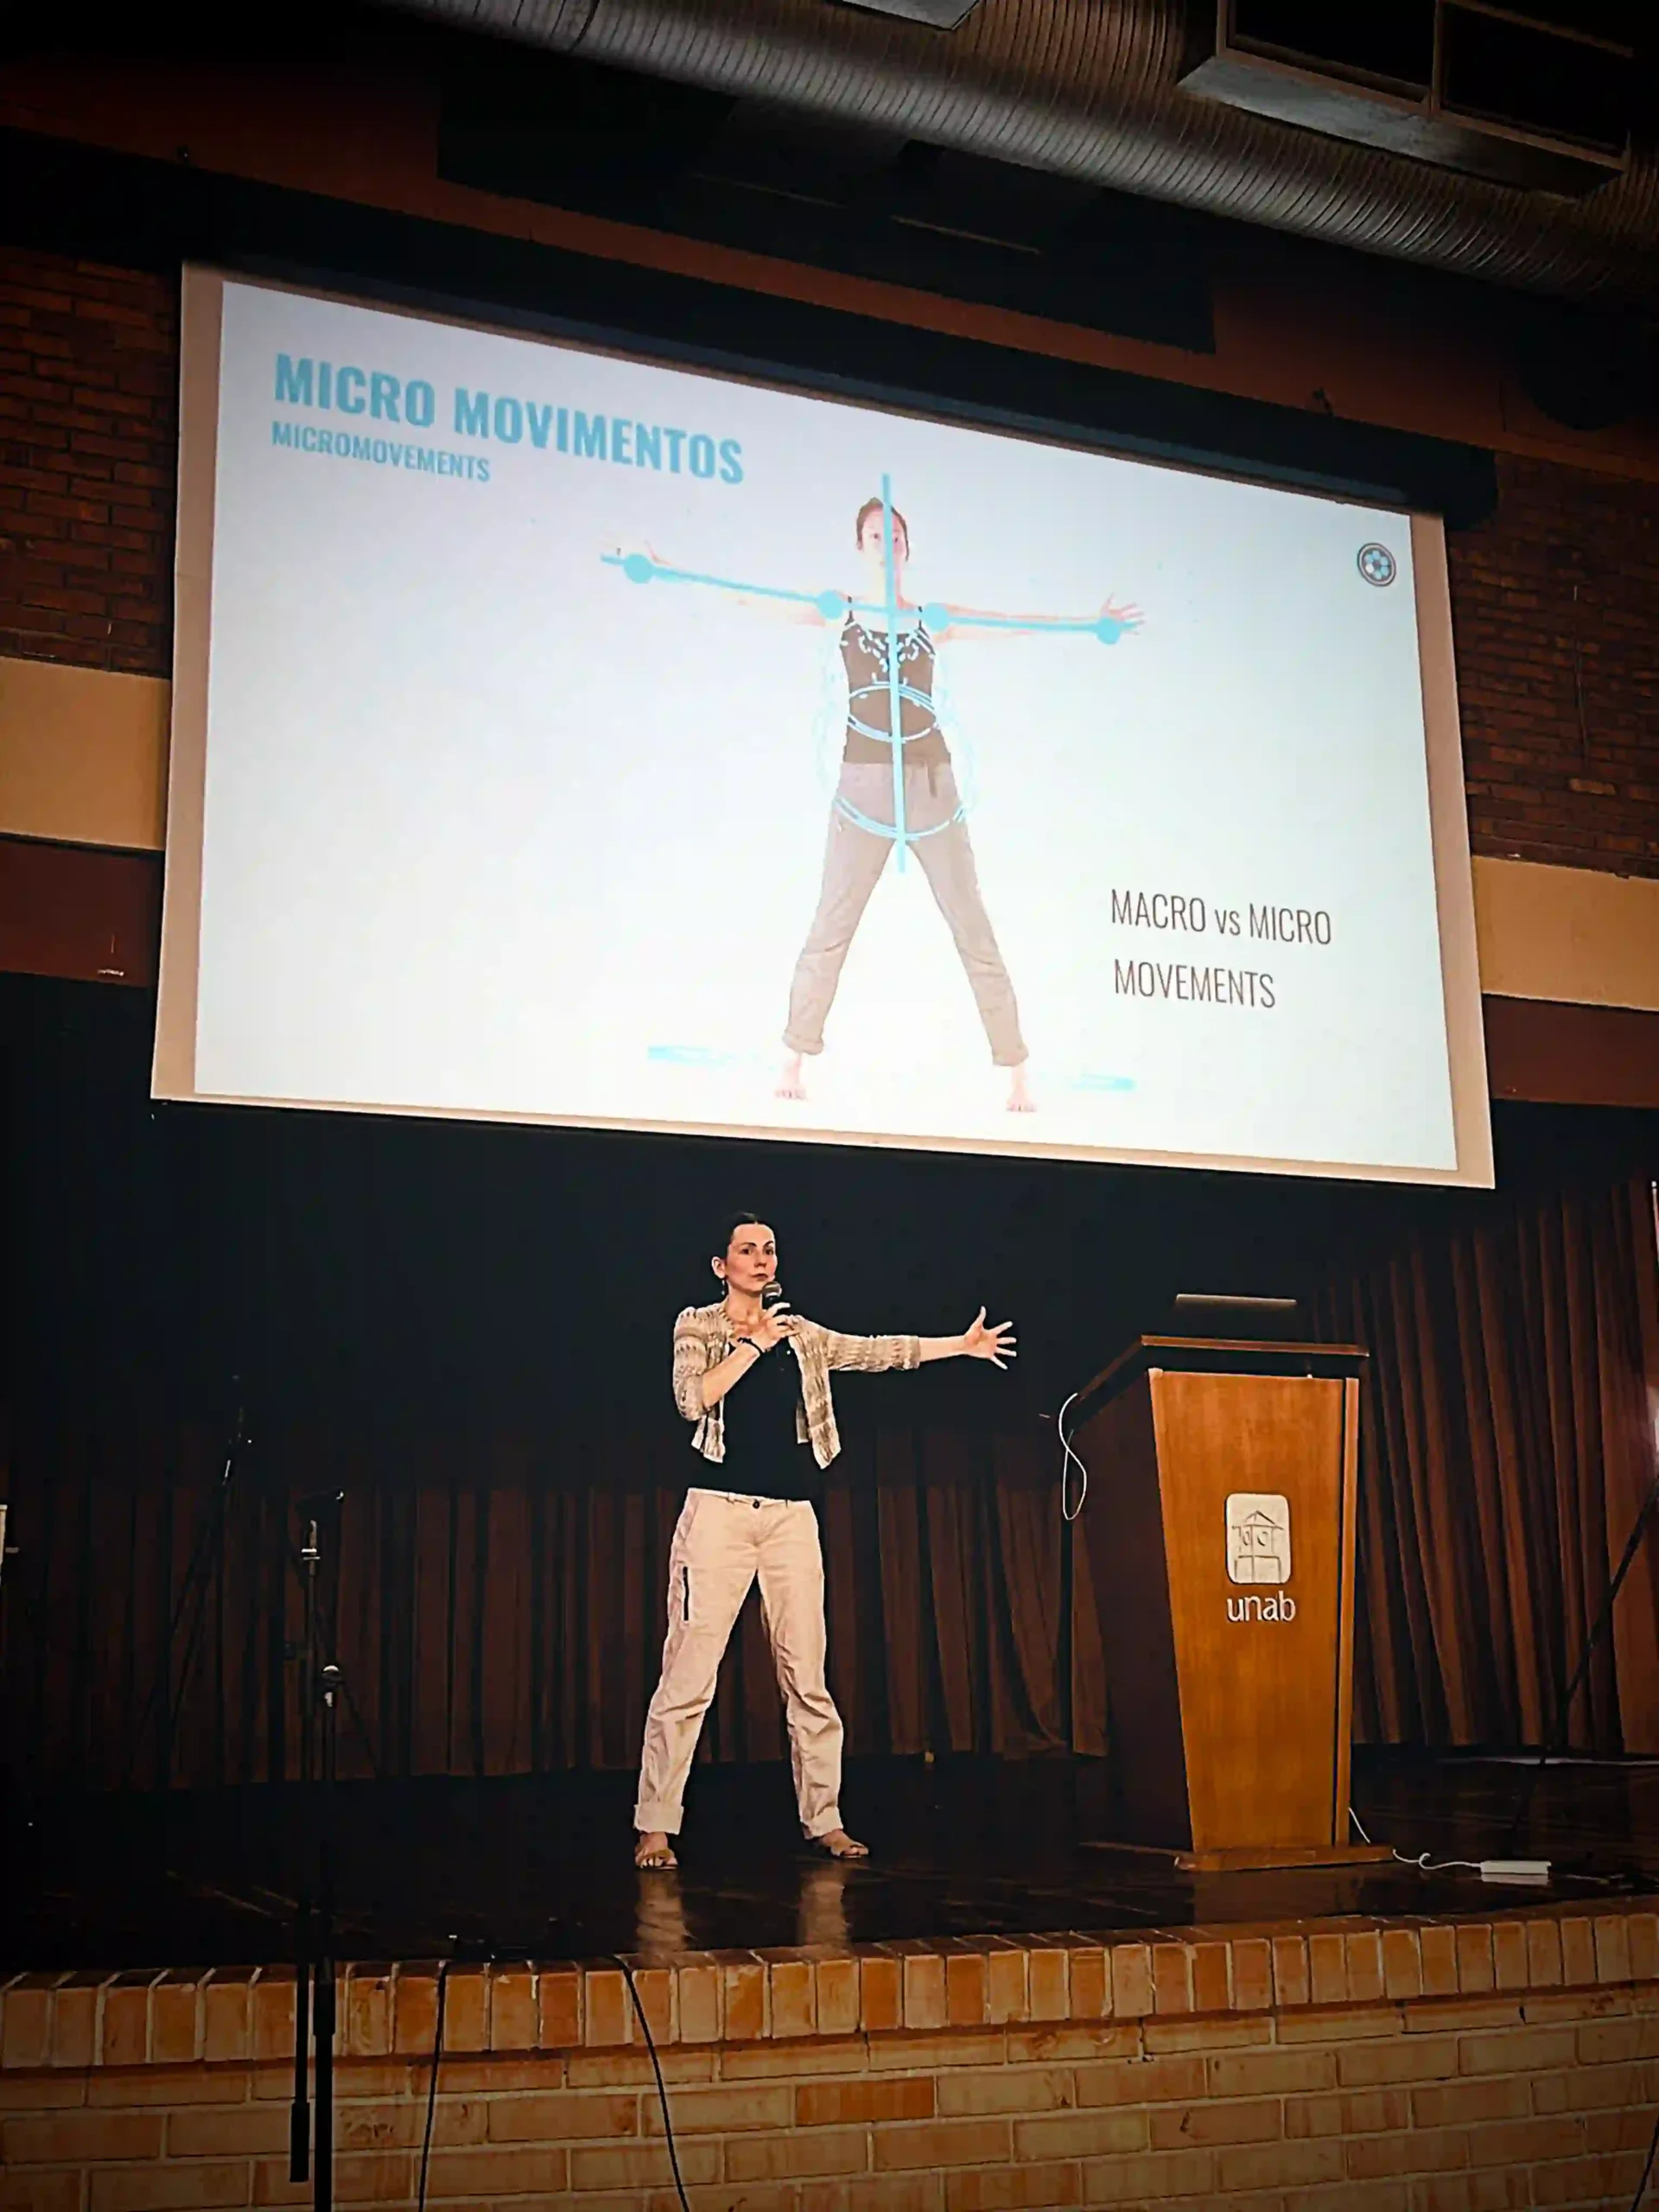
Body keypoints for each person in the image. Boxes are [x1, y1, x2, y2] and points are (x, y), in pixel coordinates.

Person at [633, 1211, 1016, 1868]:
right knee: (688, 1676)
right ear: (721, 1266)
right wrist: (754, 1345)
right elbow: (692, 1400)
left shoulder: (803, 1334)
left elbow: (877, 1351)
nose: (762, 1260)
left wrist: (960, 1345)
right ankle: (656, 1826)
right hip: (719, 1514)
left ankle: (825, 1819)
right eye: (747, 1250)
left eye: (770, 1250)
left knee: (807, 1676)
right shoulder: (697, 1323)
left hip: (790, 1519)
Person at [776, 499, 1141, 1114]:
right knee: (830, 926)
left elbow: (1010, 621)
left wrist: (1087, 623)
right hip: (863, 783)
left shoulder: (930, 619)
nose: (885, 543)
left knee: (972, 927)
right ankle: (794, 1054)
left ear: (905, 548)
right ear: (860, 546)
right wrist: (663, 571)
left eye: (894, 535)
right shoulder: (840, 611)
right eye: (874, 534)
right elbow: (755, 601)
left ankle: (1017, 1068)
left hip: (931, 783)